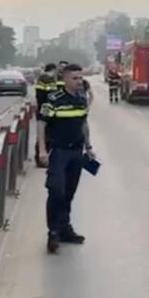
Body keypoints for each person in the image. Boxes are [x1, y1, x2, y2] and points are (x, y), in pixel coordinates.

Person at [38, 64, 92, 254]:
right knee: (56, 192)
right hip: (59, 152)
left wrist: (89, 146)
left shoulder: (81, 98)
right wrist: (42, 150)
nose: (79, 81)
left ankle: (65, 229)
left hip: (76, 153)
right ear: (66, 79)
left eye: (80, 78)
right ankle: (53, 232)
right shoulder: (54, 99)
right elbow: (41, 124)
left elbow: (84, 124)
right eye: (75, 78)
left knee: (69, 193)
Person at [34, 63, 59, 168]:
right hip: (46, 109)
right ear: (53, 69)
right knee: (46, 134)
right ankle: (42, 159)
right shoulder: (47, 79)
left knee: (43, 133)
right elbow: (51, 94)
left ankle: (40, 158)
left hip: (41, 107)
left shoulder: (41, 78)